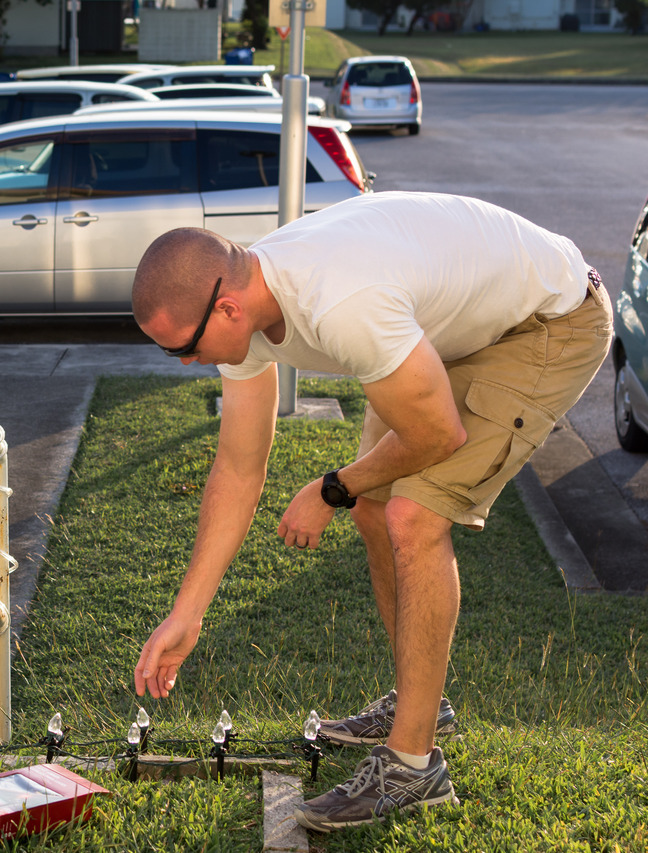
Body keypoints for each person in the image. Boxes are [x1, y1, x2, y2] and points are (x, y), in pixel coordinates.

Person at [130, 192, 611, 831]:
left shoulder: (341, 302)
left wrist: (332, 488)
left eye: (183, 347)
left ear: (227, 307)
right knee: (374, 508)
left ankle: (414, 768)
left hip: (548, 320)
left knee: (413, 517)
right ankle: (421, 706)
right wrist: (187, 612)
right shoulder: (248, 304)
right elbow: (239, 468)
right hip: (448, 327)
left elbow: (437, 435)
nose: (187, 361)